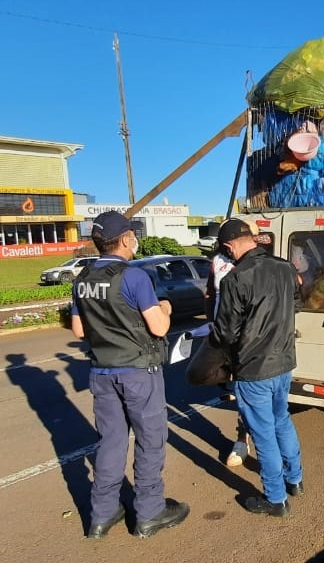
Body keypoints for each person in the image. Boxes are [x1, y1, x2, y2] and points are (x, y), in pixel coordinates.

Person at [71, 211, 190, 539]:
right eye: (132, 235)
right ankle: (150, 513)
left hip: (101, 371)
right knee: (151, 441)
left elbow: (80, 330)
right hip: (138, 372)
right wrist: (164, 307)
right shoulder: (134, 277)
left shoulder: (82, 279)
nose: (134, 239)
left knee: (110, 442)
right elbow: (159, 327)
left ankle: (101, 515)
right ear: (125, 240)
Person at [210, 218, 303, 517]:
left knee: (263, 434)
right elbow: (297, 305)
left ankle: (276, 500)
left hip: (254, 370)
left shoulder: (236, 279)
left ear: (229, 246)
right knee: (282, 421)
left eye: (226, 253)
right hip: (284, 362)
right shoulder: (286, 267)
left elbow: (224, 333)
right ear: (251, 237)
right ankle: (295, 479)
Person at [204, 242, 250, 468]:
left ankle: (261, 441)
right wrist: (211, 324)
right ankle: (242, 440)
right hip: (225, 335)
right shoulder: (218, 261)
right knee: (238, 388)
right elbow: (210, 294)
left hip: (251, 337)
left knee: (255, 390)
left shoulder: (257, 259)